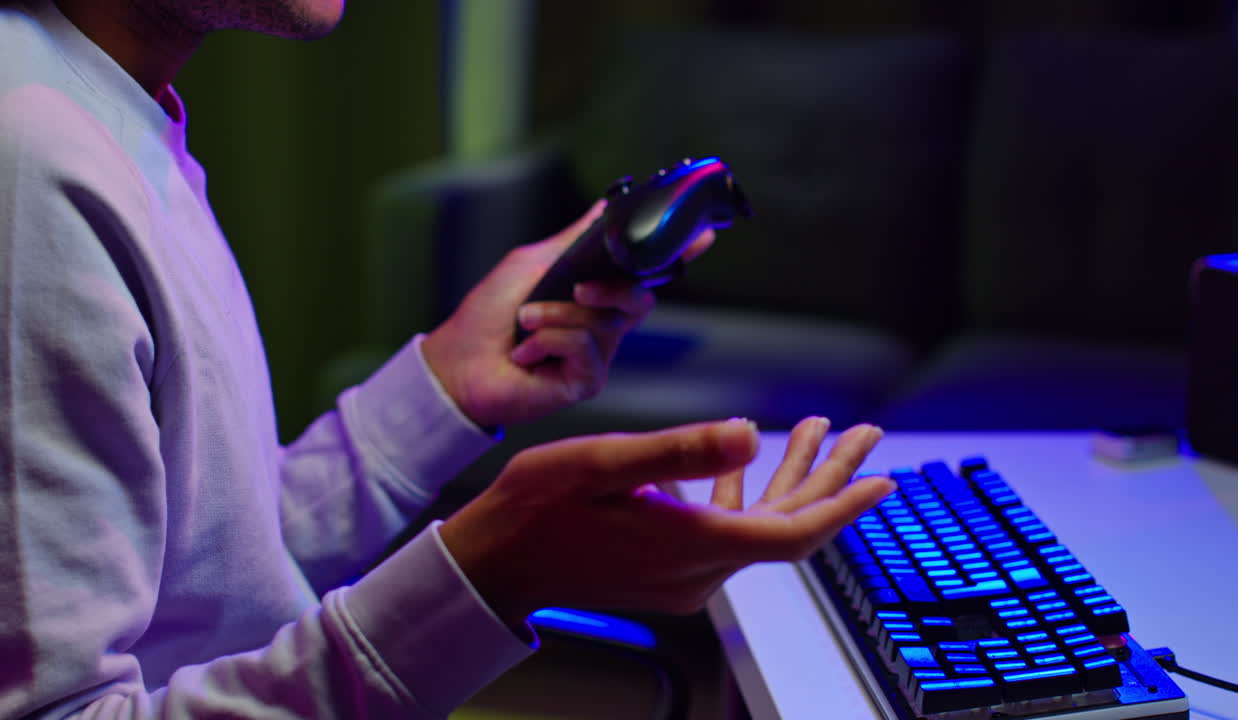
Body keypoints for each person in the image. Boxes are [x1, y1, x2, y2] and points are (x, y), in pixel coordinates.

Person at [0, 0, 897, 717]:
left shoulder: (103, 115)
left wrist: (446, 389)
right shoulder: (29, 162)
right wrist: (496, 571)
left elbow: (217, 585)